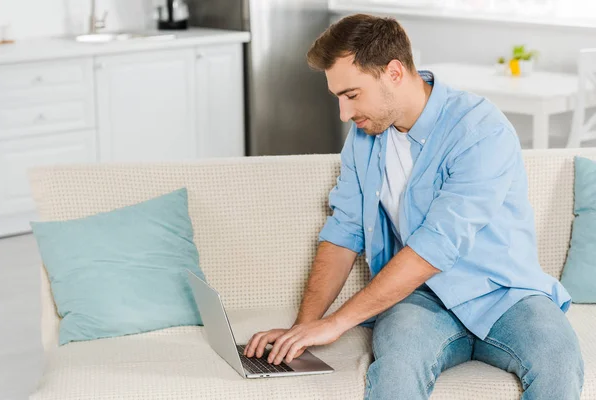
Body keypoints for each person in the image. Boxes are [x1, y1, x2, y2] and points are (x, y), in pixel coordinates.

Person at [244, 13, 583, 399]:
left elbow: (436, 246)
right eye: (338, 98)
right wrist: (302, 330)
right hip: (419, 299)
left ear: (393, 72)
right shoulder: (363, 139)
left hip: (504, 293)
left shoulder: (479, 130)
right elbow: (344, 232)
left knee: (559, 358)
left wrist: (336, 323)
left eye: (351, 95)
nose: (344, 114)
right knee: (398, 367)